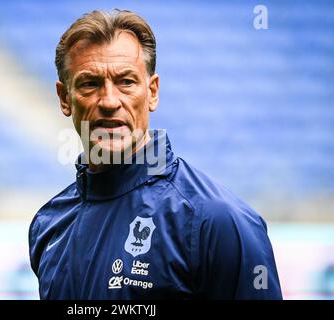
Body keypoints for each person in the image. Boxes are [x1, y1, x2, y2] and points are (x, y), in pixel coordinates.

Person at [28, 9, 283, 299]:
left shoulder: (218, 221)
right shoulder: (49, 225)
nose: (110, 101)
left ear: (152, 92)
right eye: (90, 83)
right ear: (64, 98)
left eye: (126, 81)